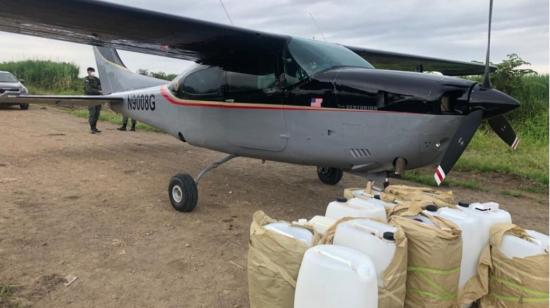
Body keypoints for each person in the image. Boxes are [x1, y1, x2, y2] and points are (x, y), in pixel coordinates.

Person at [84, 67, 102, 134]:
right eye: (90, 71)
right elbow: (89, 89)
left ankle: (95, 127)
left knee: (97, 113)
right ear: (88, 72)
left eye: (93, 71)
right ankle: (92, 128)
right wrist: (99, 91)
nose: (92, 72)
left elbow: (100, 86)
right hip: (90, 98)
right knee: (92, 113)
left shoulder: (97, 79)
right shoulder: (86, 79)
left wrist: (100, 90)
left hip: (98, 98)